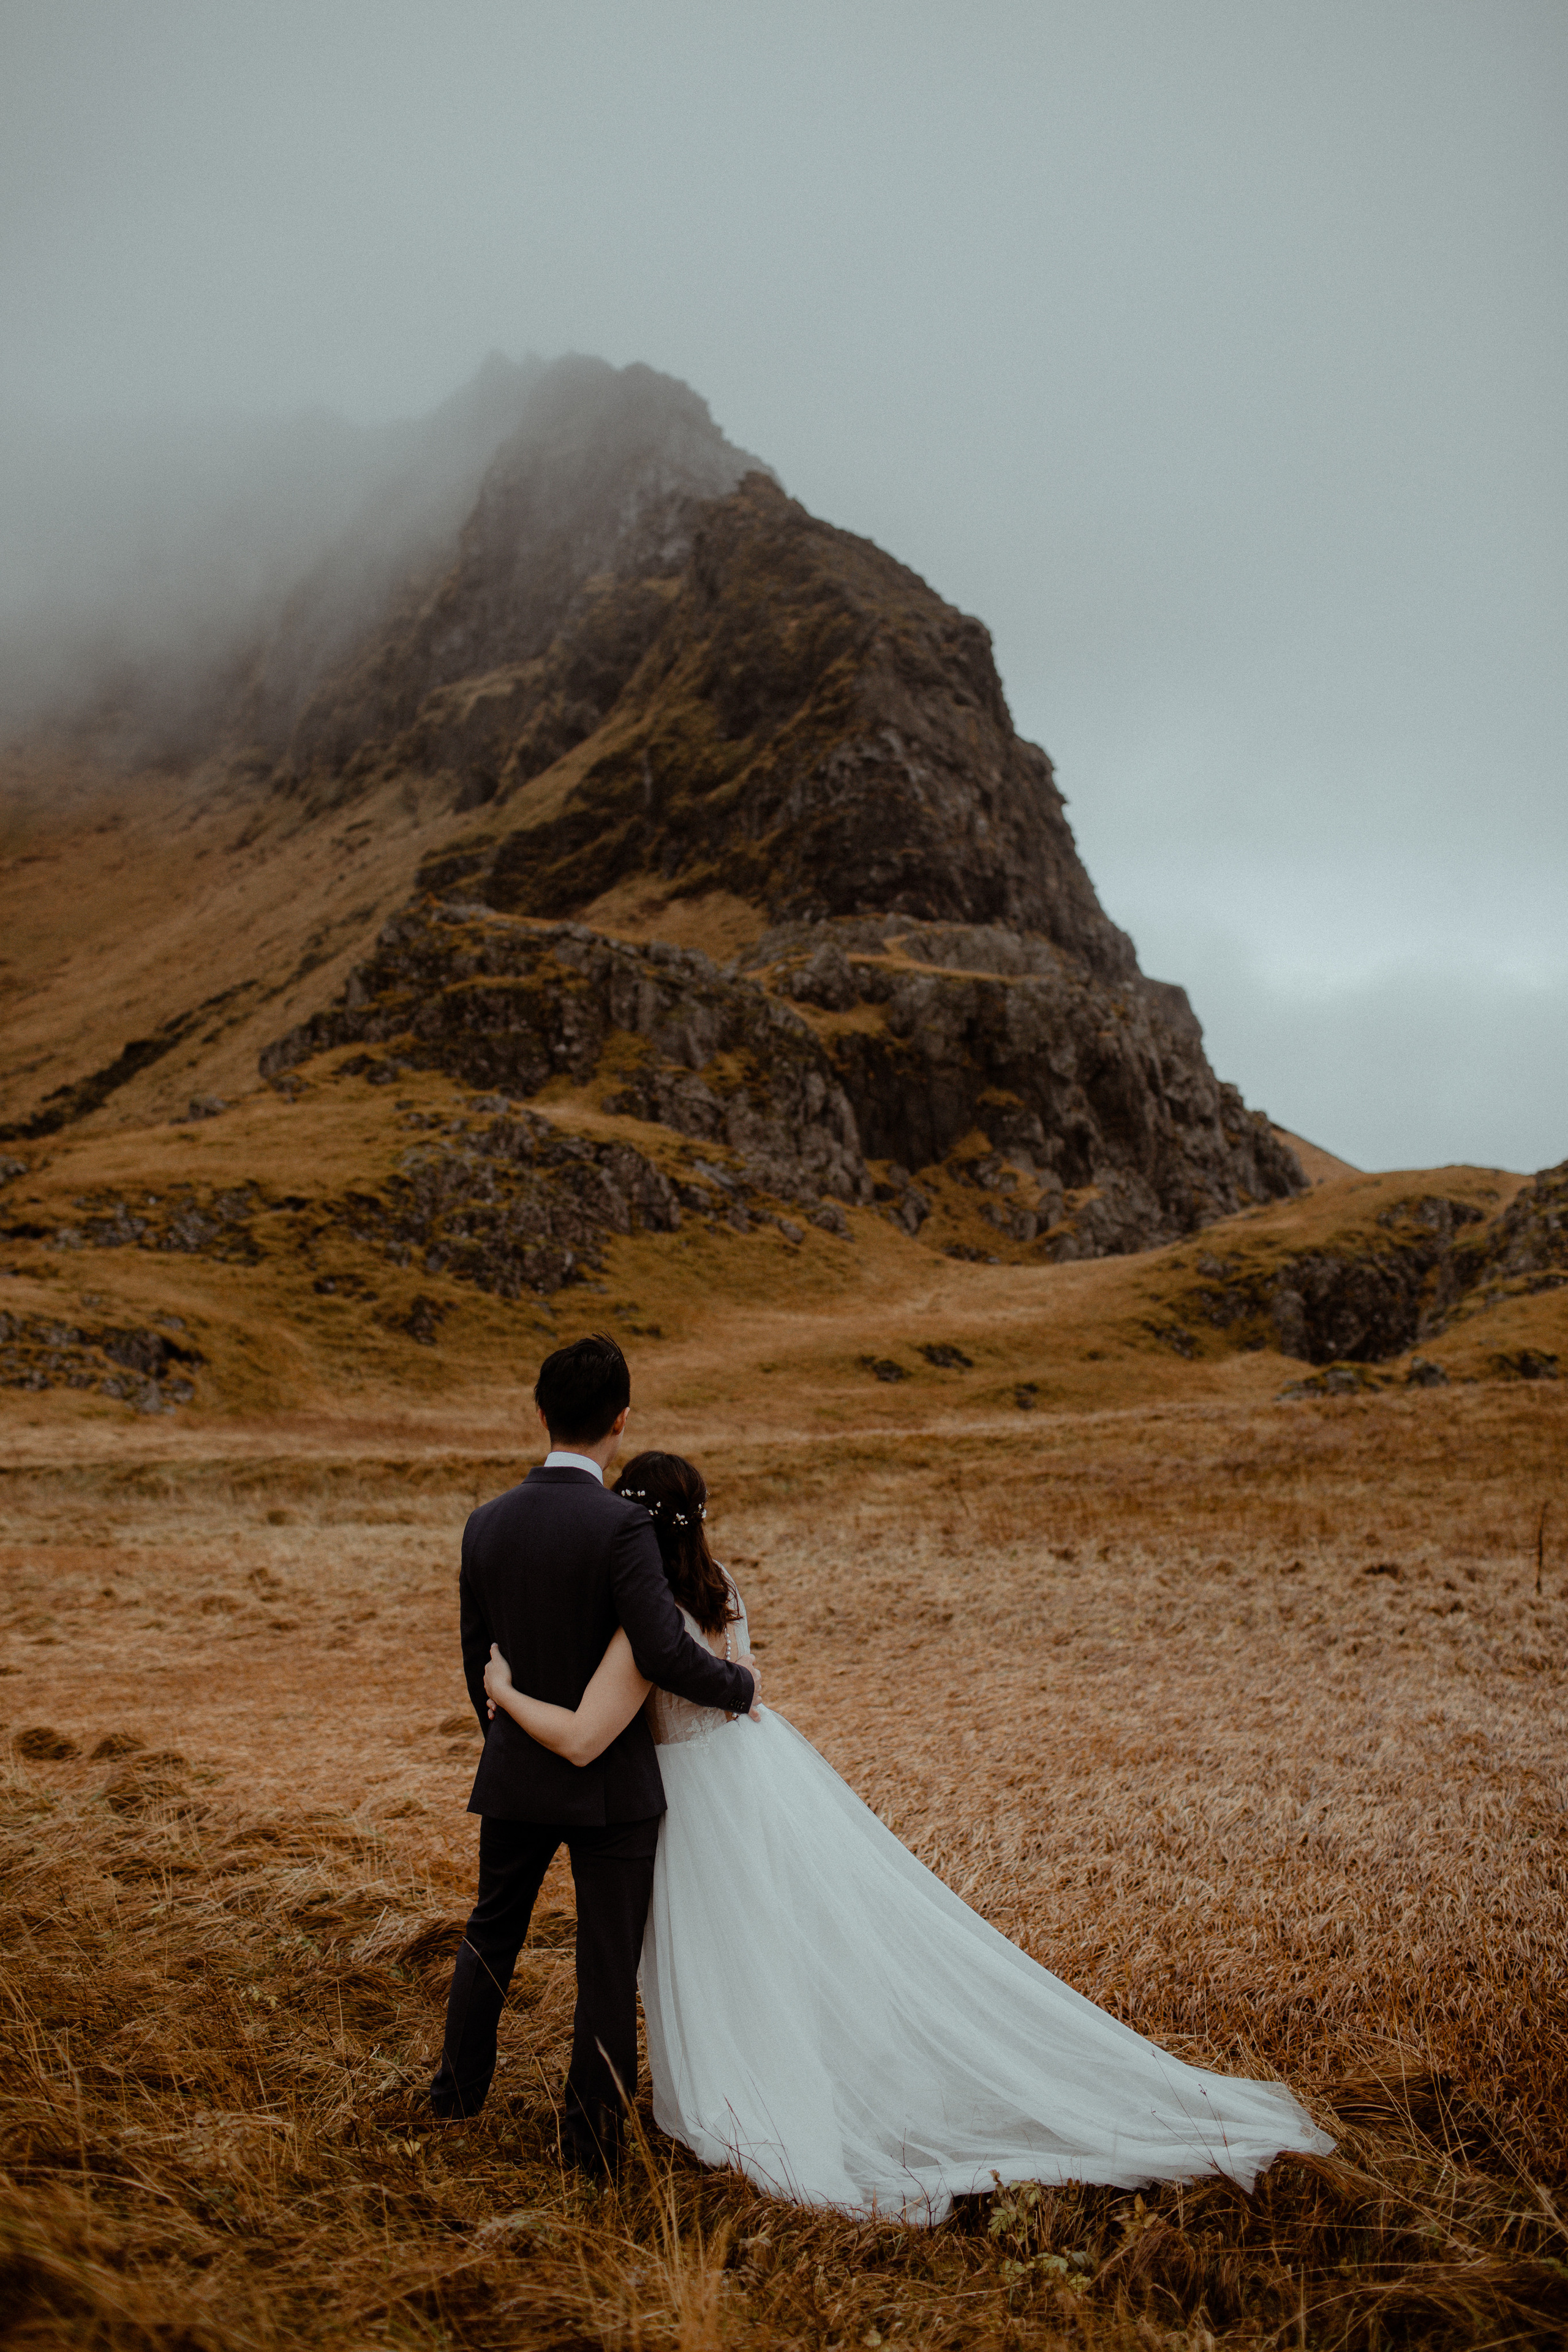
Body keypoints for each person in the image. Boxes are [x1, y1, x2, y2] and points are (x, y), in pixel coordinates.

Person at [483, 1448, 1336, 2223]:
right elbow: (741, 1676)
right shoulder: (722, 1584)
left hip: (692, 1798)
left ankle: (759, 2095)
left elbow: (594, 1729)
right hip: (752, 1772)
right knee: (778, 1946)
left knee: (725, 1954)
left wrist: (507, 1692)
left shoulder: (644, 1618)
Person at [429, 1337, 760, 2173]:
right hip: (612, 1788)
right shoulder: (624, 1525)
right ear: (622, 1421)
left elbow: (481, 1663)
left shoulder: (485, 1523)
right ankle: (590, 2150)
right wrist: (740, 1689)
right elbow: (660, 1649)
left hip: (514, 1768)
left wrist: (507, 1740)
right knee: (605, 1966)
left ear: (540, 1412)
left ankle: (454, 2100)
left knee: (490, 1934)